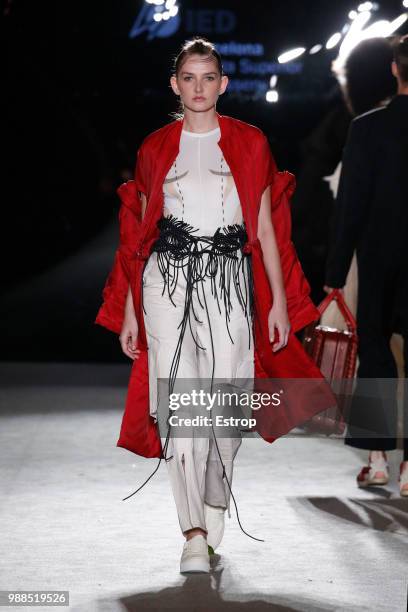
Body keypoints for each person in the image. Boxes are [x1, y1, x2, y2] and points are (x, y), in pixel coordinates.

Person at [95, 36, 337, 574]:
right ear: (175, 85)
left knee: (229, 402)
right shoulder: (156, 147)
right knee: (182, 406)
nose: (199, 88)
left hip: (231, 280)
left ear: (223, 84)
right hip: (168, 281)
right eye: (189, 78)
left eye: (209, 78)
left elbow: (267, 230)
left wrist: (275, 303)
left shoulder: (251, 142)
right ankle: (193, 533)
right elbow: (138, 232)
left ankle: (213, 494)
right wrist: (133, 309)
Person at [324, 35, 408, 497]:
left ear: (395, 70)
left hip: (379, 255)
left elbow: (350, 209)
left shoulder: (368, 128)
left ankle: (378, 463)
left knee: (375, 354)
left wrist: (335, 276)